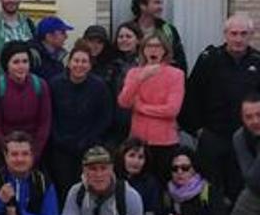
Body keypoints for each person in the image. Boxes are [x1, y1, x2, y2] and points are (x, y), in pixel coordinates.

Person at [180, 15, 260, 203]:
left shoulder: (257, 61)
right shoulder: (209, 59)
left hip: (245, 140)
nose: (238, 39)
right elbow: (192, 96)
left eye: (243, 34)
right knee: (208, 191)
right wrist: (198, 130)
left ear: (251, 36)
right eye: (233, 33)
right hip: (212, 136)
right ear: (225, 34)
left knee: (240, 191)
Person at [48, 40, 112, 202]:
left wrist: (88, 140)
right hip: (60, 147)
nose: (80, 65)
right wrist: (59, 138)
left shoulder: (99, 86)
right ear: (69, 63)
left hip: (88, 147)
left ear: (90, 65)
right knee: (63, 188)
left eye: (84, 61)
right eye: (76, 61)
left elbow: (104, 117)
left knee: (86, 188)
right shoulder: (55, 84)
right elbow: (49, 114)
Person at [117, 34, 185, 182]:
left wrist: (141, 108)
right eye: (149, 46)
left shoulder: (176, 74)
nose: (153, 50)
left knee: (161, 186)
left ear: (165, 51)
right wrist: (140, 79)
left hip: (165, 142)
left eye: (157, 46)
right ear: (142, 50)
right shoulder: (134, 73)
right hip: (138, 141)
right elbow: (124, 102)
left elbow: (172, 110)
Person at [0, 40, 52, 168]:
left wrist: (34, 153)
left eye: (25, 61)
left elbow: (44, 123)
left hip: (34, 150)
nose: (21, 66)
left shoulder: (41, 85)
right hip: (3, 151)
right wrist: (10, 153)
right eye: (16, 62)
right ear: (6, 64)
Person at [229, 93, 260, 215]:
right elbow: (251, 177)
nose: (254, 121)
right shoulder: (239, 137)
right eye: (248, 117)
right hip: (256, 188)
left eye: (259, 115)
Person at [129, 0, 187, 72]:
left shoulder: (168, 30)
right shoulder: (127, 30)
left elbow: (180, 61)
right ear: (142, 6)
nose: (161, 7)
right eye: (156, 3)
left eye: (161, 3)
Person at [105, 22, 144, 144]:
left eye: (128, 36)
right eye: (120, 37)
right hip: (114, 123)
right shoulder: (111, 63)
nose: (124, 40)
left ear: (138, 40)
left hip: (139, 120)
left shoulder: (145, 64)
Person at [30, 16, 73, 81]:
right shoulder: (32, 56)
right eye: (62, 33)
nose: (66, 36)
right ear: (49, 36)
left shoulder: (59, 56)